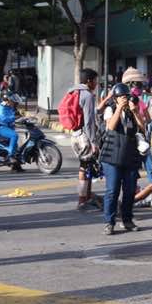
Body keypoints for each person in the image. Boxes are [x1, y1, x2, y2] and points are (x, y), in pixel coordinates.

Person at [99, 83, 145, 235]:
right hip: (112, 156)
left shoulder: (131, 111)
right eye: (121, 97)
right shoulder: (110, 109)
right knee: (112, 190)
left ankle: (127, 220)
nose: (124, 99)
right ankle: (109, 222)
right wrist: (119, 108)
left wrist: (135, 111)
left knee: (130, 190)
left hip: (129, 155)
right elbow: (110, 127)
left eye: (126, 96)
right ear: (116, 98)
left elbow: (142, 127)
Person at [68, 69, 102, 211]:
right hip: (84, 136)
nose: (96, 83)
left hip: (76, 134)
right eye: (95, 80)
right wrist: (94, 142)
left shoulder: (73, 91)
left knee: (85, 166)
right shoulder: (87, 95)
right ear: (89, 81)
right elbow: (88, 122)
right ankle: (82, 200)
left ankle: (86, 197)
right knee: (85, 167)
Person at [0, 92, 23, 171]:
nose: (14, 103)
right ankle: (10, 156)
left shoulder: (10, 107)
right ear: (8, 100)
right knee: (14, 135)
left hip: (9, 128)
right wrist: (14, 117)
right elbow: (4, 118)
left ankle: (16, 166)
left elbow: (17, 116)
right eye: (13, 101)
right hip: (2, 128)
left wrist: (24, 119)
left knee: (16, 147)